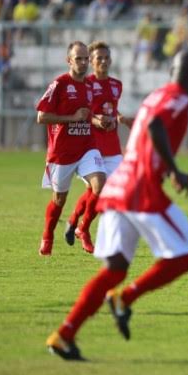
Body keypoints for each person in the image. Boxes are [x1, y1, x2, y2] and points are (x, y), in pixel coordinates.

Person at [46, 49, 188, 361]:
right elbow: (155, 127)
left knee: (115, 268)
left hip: (120, 184)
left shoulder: (156, 94)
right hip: (140, 189)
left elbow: (147, 130)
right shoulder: (179, 98)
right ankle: (124, 300)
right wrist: (176, 171)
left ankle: (63, 335)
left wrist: (166, 169)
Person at [35, 42, 107, 256]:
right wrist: (71, 118)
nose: (84, 62)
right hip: (62, 152)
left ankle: (82, 229)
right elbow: (41, 117)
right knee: (59, 200)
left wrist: (98, 120)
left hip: (87, 147)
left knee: (100, 184)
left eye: (86, 58)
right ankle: (48, 235)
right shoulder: (59, 84)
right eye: (79, 59)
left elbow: (87, 116)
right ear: (69, 60)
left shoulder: (90, 86)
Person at [65, 41, 134, 253]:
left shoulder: (116, 85)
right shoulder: (85, 85)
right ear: (91, 61)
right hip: (91, 146)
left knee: (100, 191)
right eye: (99, 58)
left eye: (107, 58)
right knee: (100, 190)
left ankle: (75, 222)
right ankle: (83, 228)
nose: (103, 61)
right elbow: (84, 114)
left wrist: (120, 118)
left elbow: (113, 109)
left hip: (112, 147)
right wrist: (97, 121)